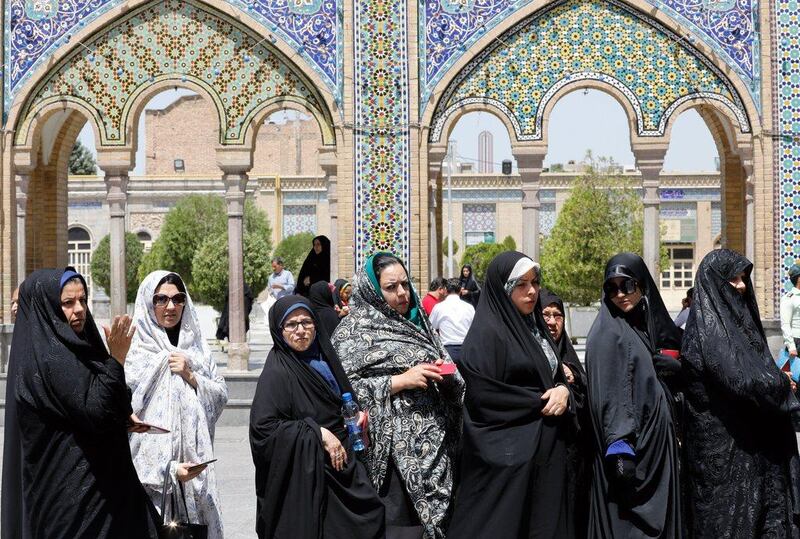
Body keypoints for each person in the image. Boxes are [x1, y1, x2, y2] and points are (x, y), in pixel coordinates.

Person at [12, 268, 159, 537]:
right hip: (73, 503)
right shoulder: (50, 360)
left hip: (102, 492)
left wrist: (123, 416)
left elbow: (95, 400)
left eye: (82, 300)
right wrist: (116, 359)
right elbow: (96, 411)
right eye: (67, 303)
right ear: (48, 308)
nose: (79, 309)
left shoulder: (78, 348)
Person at [331, 253, 464, 539]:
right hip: (391, 458)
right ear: (373, 290)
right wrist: (399, 381)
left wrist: (448, 377)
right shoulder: (351, 333)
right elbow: (341, 393)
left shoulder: (421, 325)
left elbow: (452, 375)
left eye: (405, 284)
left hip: (436, 451)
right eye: (391, 287)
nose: (402, 293)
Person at [448, 252, 574, 539]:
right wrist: (542, 401)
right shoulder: (487, 336)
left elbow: (554, 376)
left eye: (535, 282)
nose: (532, 291)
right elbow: (484, 398)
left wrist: (564, 391)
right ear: (503, 288)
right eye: (521, 284)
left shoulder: (534, 328)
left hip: (544, 456)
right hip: (507, 464)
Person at [682, 250, 800, 538]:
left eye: (743, 278)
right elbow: (741, 381)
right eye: (732, 279)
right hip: (724, 460)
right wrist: (781, 385)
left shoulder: (739, 326)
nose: (741, 285)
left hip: (754, 453)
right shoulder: (707, 332)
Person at [250, 296, 385, 538]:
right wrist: (318, 433)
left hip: (344, 463)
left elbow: (343, 398)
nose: (300, 331)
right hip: (310, 476)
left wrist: (357, 416)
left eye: (306, 322)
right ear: (279, 330)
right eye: (291, 325)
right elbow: (264, 430)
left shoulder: (325, 357)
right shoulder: (277, 372)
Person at [585, 252, 683, 539]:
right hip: (632, 455)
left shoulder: (638, 325)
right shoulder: (608, 332)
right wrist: (619, 444)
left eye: (627, 285)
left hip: (652, 448)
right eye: (611, 288)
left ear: (642, 285)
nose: (620, 294)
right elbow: (608, 392)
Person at [126, 271, 228, 537]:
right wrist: (166, 469)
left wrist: (191, 376)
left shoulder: (196, 349)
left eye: (177, 298)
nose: (170, 307)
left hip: (195, 475)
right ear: (148, 302)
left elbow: (220, 394)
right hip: (148, 480)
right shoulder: (134, 352)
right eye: (161, 299)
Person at [538, 288, 590, 539]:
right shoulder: (533, 354)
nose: (551, 321)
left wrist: (575, 379)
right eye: (545, 314)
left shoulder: (570, 356)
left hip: (574, 456)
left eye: (557, 315)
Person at [429, 278, 475, 362]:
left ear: (446, 290)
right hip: (467, 351)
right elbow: (475, 328)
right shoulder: (469, 308)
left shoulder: (438, 307)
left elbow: (430, 327)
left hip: (447, 351)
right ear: (461, 290)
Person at [780, 264, 800, 362]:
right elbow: (785, 324)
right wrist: (791, 346)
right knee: (796, 375)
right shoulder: (789, 298)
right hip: (797, 341)